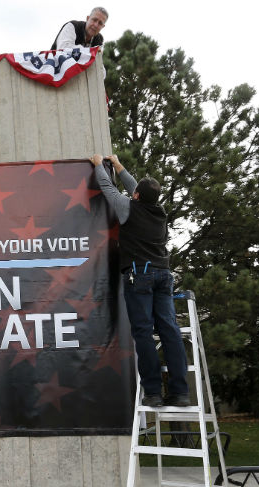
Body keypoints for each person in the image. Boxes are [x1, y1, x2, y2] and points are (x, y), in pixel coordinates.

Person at [90, 153, 190, 407]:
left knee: (144, 332)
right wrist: (119, 165)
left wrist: (99, 165)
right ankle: (180, 393)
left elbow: (108, 188)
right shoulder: (159, 211)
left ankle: (153, 392)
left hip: (140, 275)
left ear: (136, 196)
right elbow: (137, 190)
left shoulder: (128, 208)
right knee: (169, 330)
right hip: (163, 275)